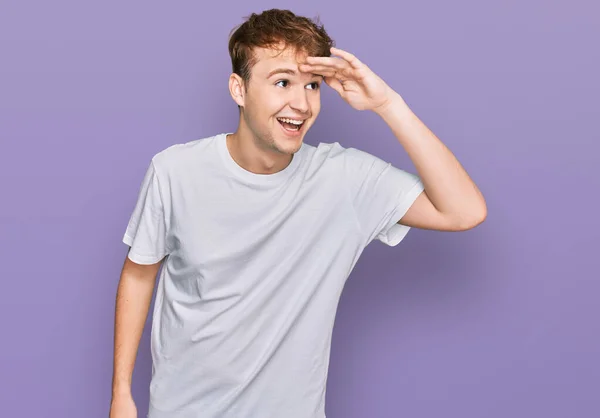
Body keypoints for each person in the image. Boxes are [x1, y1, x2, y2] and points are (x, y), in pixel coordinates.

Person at [109, 8, 486, 418]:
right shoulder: (175, 171)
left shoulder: (345, 179)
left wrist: (388, 104)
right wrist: (122, 394)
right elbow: (140, 272)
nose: (301, 103)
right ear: (239, 89)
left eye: (313, 85)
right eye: (283, 82)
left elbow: (463, 212)